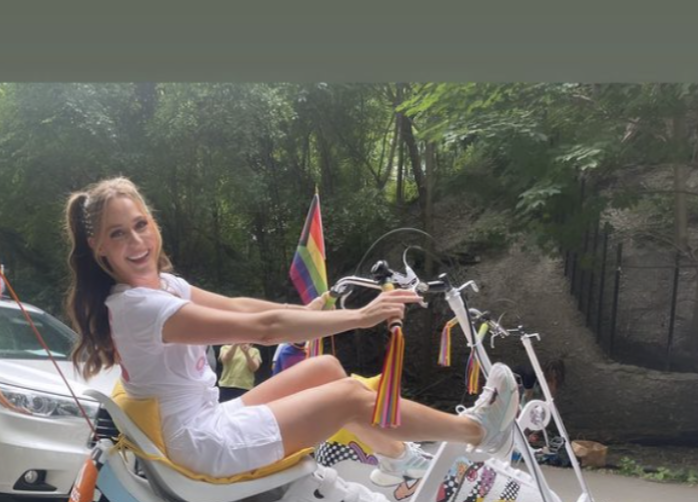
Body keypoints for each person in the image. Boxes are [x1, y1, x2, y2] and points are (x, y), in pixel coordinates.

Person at [65, 177, 519, 482]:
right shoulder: (137, 307)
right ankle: (478, 432)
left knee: (323, 367)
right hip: (201, 445)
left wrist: (314, 307)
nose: (137, 242)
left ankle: (398, 460)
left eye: (140, 225)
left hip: (205, 419)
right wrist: (360, 317)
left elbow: (244, 306)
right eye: (118, 234)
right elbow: (262, 329)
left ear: (153, 224)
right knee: (352, 398)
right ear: (97, 246)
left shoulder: (164, 285)